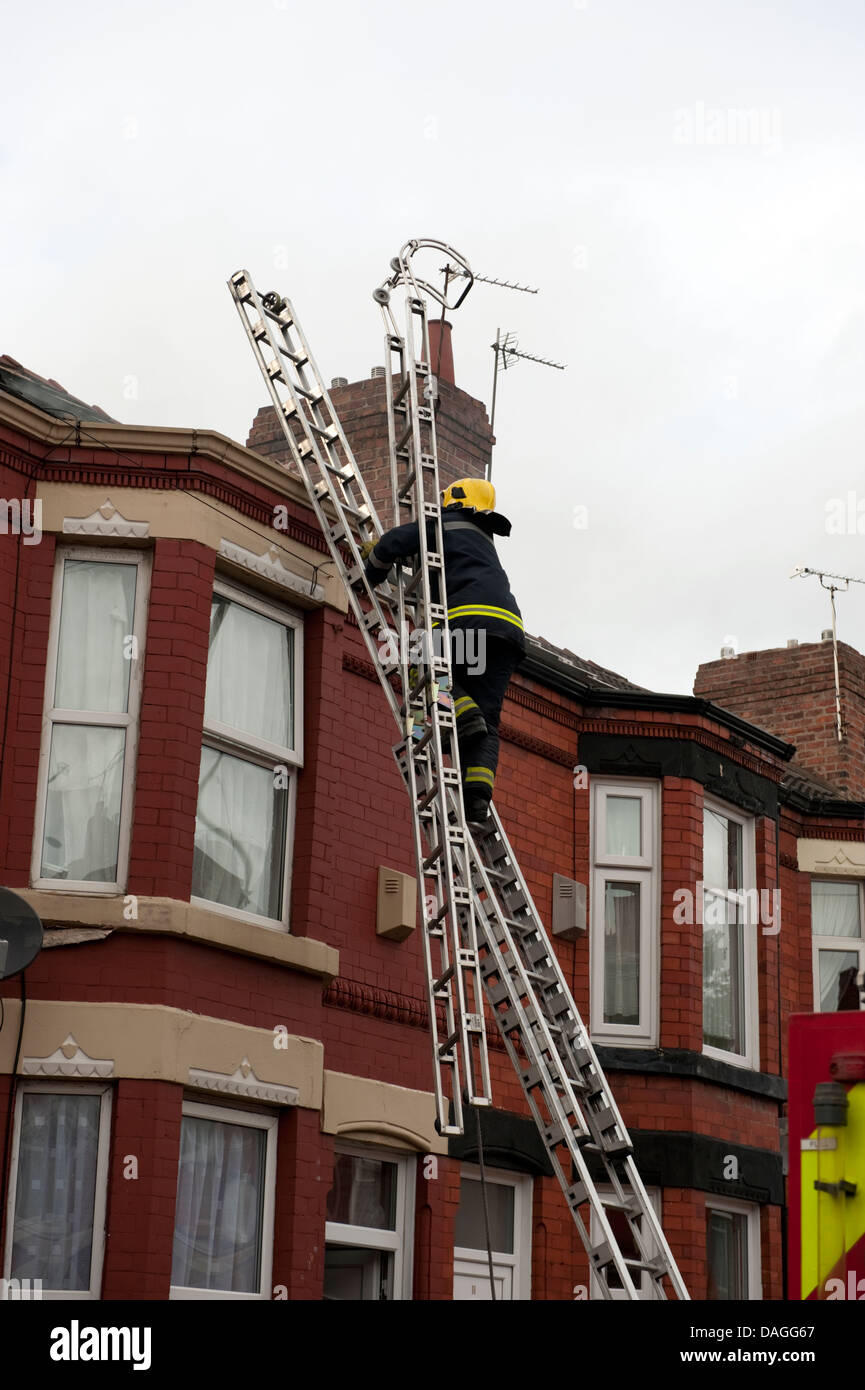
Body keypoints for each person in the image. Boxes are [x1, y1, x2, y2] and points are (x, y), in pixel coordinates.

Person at [362, 477, 524, 824]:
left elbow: (395, 541)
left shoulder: (444, 523)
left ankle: (461, 714)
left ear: (454, 500)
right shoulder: (483, 540)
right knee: (489, 722)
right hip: (508, 633)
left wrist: (372, 569)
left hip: (468, 621)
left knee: (422, 655)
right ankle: (477, 802)